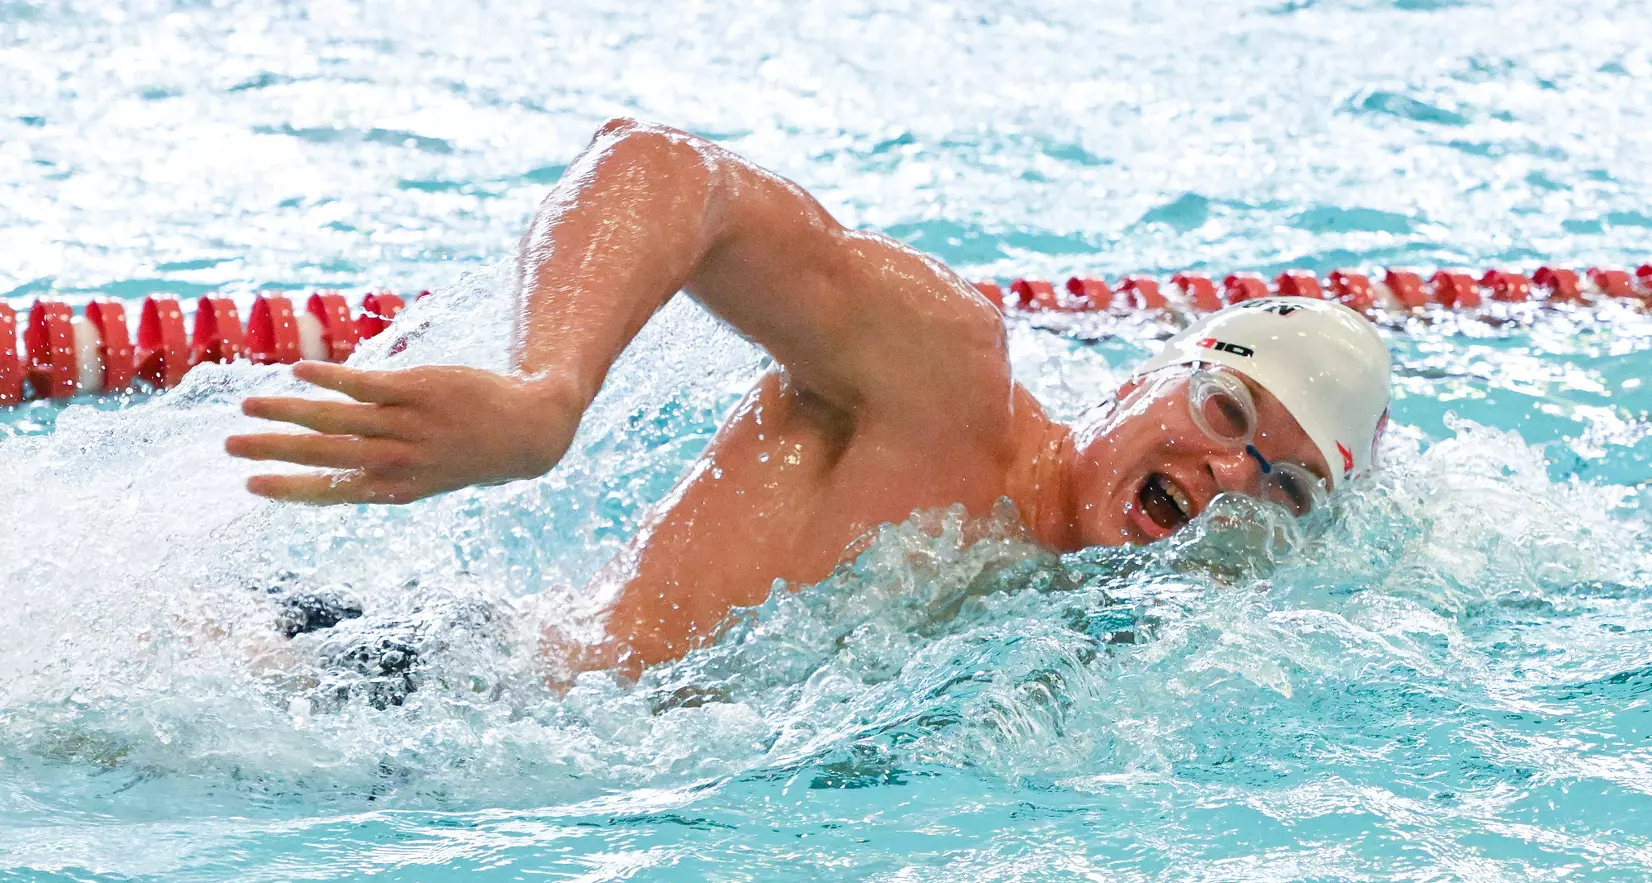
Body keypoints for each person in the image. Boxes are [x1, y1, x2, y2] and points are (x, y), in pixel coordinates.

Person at [226, 118, 1392, 678]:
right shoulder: (942, 380)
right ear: (1144, 378)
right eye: (1228, 414)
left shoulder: (1108, 623)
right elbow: (664, 169)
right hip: (413, 685)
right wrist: (546, 395)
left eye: (1279, 484)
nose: (1227, 476)